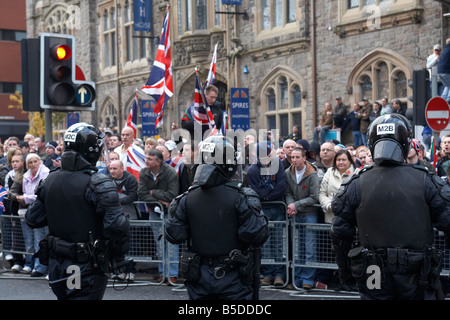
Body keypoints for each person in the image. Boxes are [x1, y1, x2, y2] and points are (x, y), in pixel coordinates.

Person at [331, 114, 450, 300]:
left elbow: (339, 234)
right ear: (406, 143)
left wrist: (344, 272)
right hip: (416, 274)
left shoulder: (355, 183)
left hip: (377, 272)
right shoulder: (427, 181)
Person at [25, 123, 130, 300]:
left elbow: (32, 218)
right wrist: (118, 258)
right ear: (91, 150)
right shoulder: (98, 183)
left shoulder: (50, 180)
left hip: (57, 264)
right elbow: (117, 227)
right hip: (86, 264)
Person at [165, 135, 269, 300]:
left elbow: (174, 233)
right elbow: (257, 233)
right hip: (231, 277)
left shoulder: (186, 198)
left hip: (200, 277)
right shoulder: (241, 196)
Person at [246, 141, 286, 287]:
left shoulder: (278, 165)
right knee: (266, 243)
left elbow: (281, 186)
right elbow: (257, 193)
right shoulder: (252, 170)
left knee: (278, 243)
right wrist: (269, 189)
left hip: (278, 209)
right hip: (263, 210)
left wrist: (267, 192)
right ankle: (268, 273)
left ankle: (279, 274)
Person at [137, 148, 179, 284]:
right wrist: (159, 202)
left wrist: (153, 192)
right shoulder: (144, 172)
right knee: (159, 243)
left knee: (171, 244)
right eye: (146, 158)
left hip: (170, 212)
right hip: (155, 212)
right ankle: (162, 273)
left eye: (149, 159)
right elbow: (142, 194)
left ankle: (172, 274)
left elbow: (172, 195)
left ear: (158, 161)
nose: (146, 161)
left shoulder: (170, 172)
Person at [285, 147, 319, 290]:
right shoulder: (288, 172)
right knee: (297, 249)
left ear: (304, 158)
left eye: (297, 157)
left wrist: (296, 205)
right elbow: (287, 192)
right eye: (292, 157)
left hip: (309, 214)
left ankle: (308, 279)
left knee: (310, 248)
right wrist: (290, 205)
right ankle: (296, 279)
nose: (294, 160)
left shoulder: (312, 174)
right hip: (296, 214)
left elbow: (314, 197)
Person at [18, 153, 50, 277]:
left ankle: (44, 267)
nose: (33, 164)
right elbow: (28, 192)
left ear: (40, 161)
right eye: (30, 162)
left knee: (43, 239)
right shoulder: (26, 175)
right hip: (34, 210)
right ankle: (38, 266)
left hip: (43, 210)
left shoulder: (45, 172)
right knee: (36, 240)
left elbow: (39, 194)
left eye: (35, 161)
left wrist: (24, 198)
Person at [109, 159, 138, 281]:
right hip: (114, 217)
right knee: (115, 244)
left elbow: (133, 196)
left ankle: (130, 271)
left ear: (122, 168)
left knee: (131, 245)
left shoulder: (130, 179)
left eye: (115, 169)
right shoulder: (107, 179)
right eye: (110, 168)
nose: (112, 171)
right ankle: (117, 271)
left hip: (129, 216)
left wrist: (115, 199)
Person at [3, 154, 26, 271]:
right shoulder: (10, 175)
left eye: (17, 161)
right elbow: (9, 192)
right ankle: (18, 261)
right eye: (13, 162)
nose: (14, 164)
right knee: (16, 235)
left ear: (23, 162)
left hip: (25, 207)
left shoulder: (26, 174)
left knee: (28, 237)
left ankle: (29, 261)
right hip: (14, 208)